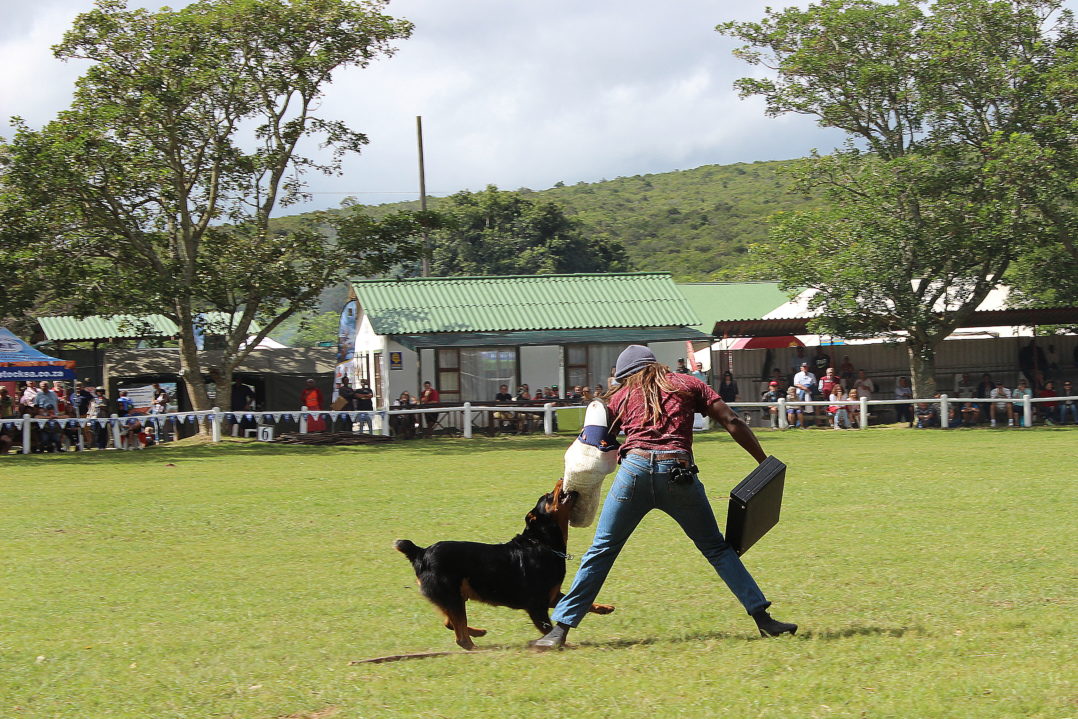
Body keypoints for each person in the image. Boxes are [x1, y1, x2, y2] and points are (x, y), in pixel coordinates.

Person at [532, 345, 796, 651]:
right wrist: (763, 462)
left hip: (634, 473)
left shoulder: (619, 396)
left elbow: (594, 445)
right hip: (679, 473)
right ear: (656, 365)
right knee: (717, 549)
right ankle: (764, 620)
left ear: (626, 374)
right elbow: (731, 420)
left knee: (602, 551)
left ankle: (558, 632)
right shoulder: (688, 383)